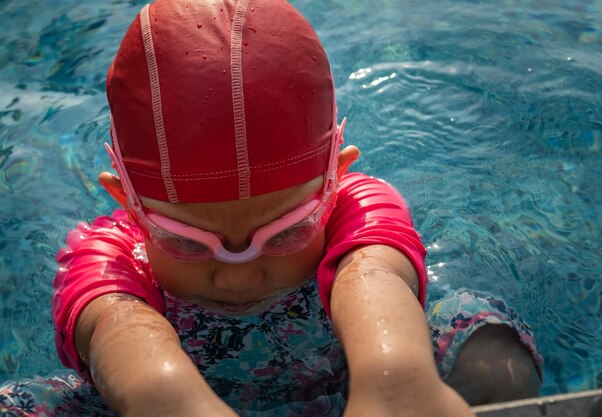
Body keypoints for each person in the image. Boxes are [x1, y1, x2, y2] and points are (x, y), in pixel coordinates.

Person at [0, 0, 542, 416]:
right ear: (129, 203)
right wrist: (174, 404)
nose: (240, 274)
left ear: (334, 181)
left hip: (356, 393)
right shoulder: (108, 255)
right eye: (187, 242)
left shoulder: (356, 203)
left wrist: (397, 380)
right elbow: (120, 329)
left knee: (482, 335)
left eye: (285, 233)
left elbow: (371, 271)